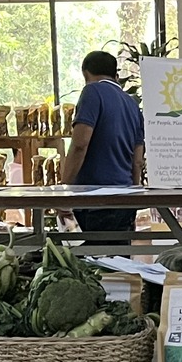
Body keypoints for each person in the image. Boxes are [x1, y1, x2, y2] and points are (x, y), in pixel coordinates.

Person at [59, 49, 145, 238]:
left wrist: (64, 191)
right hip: (124, 198)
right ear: (116, 75)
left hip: (95, 198)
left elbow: (80, 144)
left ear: (85, 73)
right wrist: (133, 195)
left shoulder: (92, 91)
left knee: (94, 262)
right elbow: (137, 160)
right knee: (119, 263)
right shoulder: (132, 104)